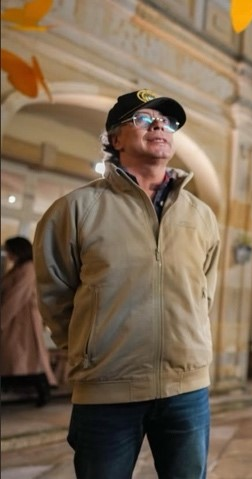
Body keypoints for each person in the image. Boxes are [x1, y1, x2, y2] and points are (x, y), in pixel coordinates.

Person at [33, 89, 220, 479]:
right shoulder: (76, 209)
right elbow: (54, 296)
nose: (159, 126)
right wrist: (89, 351)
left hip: (186, 389)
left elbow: (205, 293)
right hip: (107, 388)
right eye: (143, 119)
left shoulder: (201, 215)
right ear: (115, 139)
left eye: (166, 122)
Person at [1, 236, 58, 407]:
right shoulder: (19, 268)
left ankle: (43, 389)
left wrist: (2, 318)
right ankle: (40, 388)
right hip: (16, 319)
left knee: (26, 357)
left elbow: (16, 297)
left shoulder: (28, 269)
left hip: (22, 321)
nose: (7, 254)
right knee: (21, 358)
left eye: (9, 251)